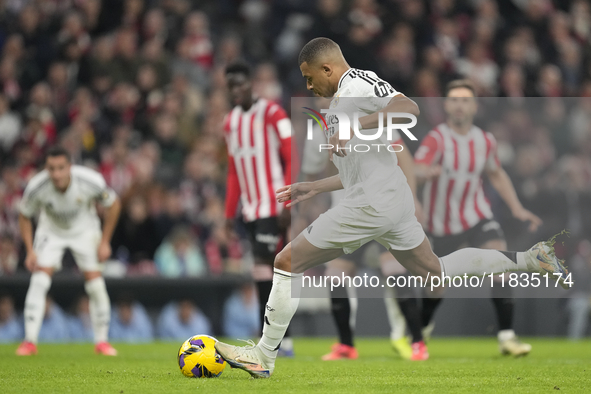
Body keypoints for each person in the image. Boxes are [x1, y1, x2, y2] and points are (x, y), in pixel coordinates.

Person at [214, 37, 569, 378]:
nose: (308, 87)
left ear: (327, 68)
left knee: (285, 262)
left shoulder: (359, 83)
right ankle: (530, 258)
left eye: (310, 78)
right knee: (436, 271)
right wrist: (313, 187)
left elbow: (408, 109)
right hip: (387, 199)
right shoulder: (337, 106)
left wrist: (355, 125)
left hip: (370, 203)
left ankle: (264, 356)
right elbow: (355, 172)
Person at [414, 79, 541, 357]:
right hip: (441, 224)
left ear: (474, 106)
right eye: (454, 100)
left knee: (500, 263)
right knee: (435, 287)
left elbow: (495, 173)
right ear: (446, 105)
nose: (459, 105)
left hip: (477, 216)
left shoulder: (485, 140)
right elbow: (416, 168)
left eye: (465, 100)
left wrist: (517, 208)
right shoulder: (437, 138)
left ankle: (507, 336)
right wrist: (425, 173)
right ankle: (422, 330)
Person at [301, 119, 425, 360]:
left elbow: (404, 157)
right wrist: (308, 207)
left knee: (394, 270)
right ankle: (346, 345)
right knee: (335, 277)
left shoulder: (373, 121)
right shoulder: (319, 132)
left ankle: (418, 342)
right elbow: (316, 171)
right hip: (348, 213)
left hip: (383, 209)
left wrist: (413, 198)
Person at [16, 146, 121, 356]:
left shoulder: (90, 180)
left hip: (85, 230)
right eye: (51, 169)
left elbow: (114, 204)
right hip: (51, 231)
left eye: (61, 168)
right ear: (46, 168)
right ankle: (29, 342)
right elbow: (24, 214)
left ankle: (101, 342)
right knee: (39, 281)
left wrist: (105, 241)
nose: (56, 174)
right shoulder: (37, 186)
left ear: (70, 167)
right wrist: (29, 250)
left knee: (96, 285)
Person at [223, 61, 296, 356]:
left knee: (271, 269)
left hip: (273, 204)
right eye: (231, 86)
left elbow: (293, 155)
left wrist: (288, 202)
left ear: (251, 84)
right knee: (262, 273)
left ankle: (279, 340)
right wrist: (229, 213)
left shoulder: (272, 112)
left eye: (241, 84)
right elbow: (233, 171)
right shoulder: (230, 122)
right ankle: (274, 339)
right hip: (250, 210)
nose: (236, 90)